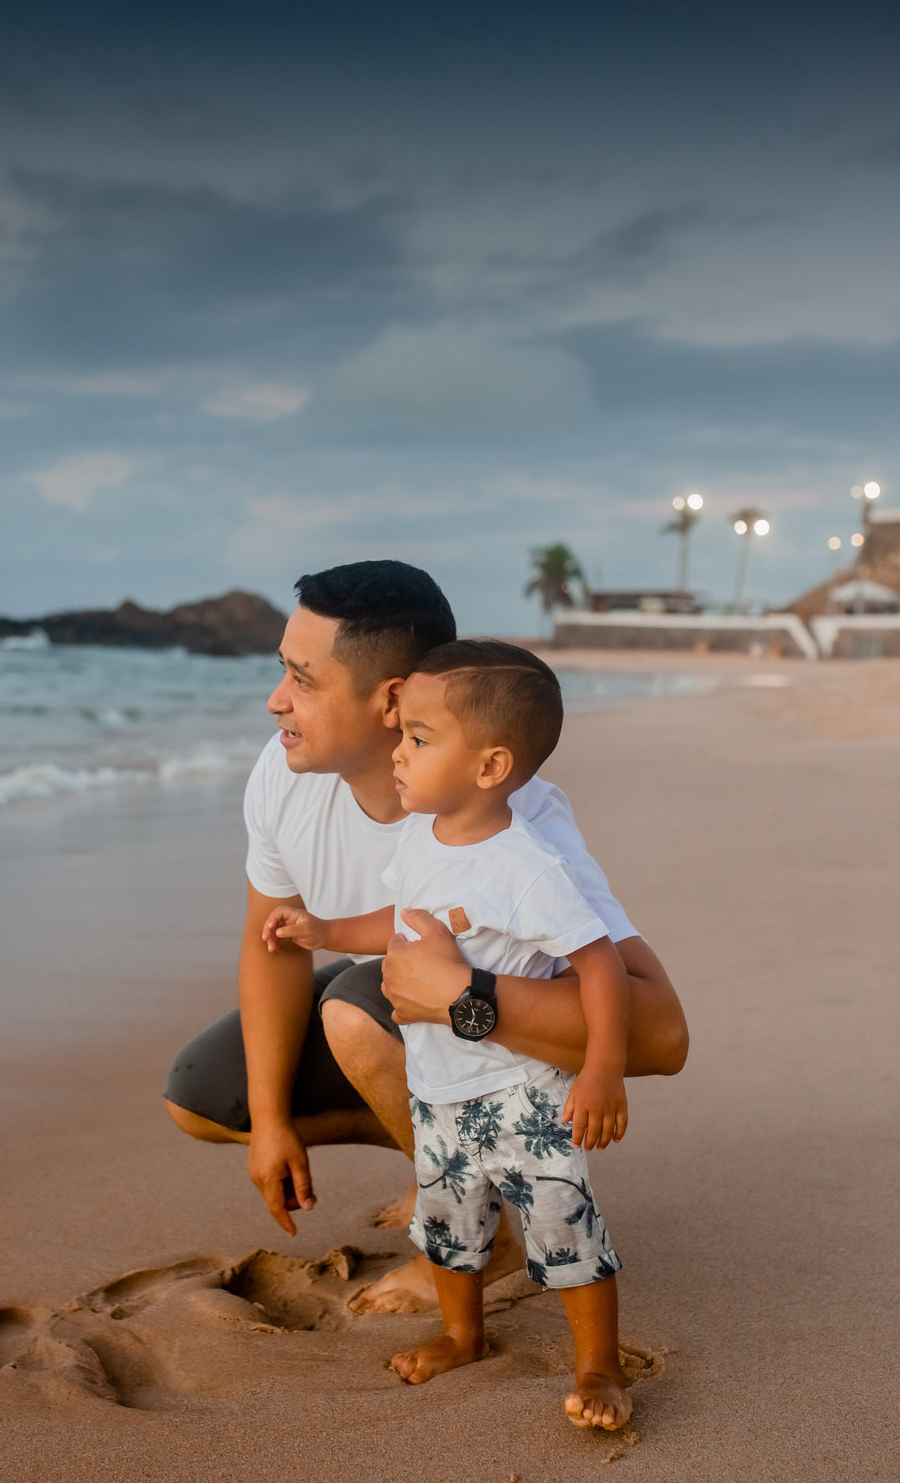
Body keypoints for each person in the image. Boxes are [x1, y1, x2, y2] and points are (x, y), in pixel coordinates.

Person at [163, 561, 687, 1314]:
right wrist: (271, 1121)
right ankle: (446, 1156)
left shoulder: (518, 823)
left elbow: (664, 1035)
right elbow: (269, 942)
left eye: (303, 680)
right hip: (410, 1016)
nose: (276, 700)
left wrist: (462, 997)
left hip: (482, 1040)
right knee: (204, 1099)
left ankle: (484, 1231)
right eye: (283, 670)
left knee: (355, 1004)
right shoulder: (284, 773)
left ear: (390, 700)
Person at [261, 639, 632, 1429]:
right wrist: (324, 929)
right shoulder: (423, 836)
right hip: (439, 1086)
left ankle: (599, 1366)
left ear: (491, 767)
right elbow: (400, 920)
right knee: (448, 1221)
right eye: (402, 734)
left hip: (523, 1091)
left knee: (563, 1224)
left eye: (420, 739)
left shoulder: (526, 867)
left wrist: (601, 1071)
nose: (398, 751)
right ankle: (463, 1335)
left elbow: (599, 963)